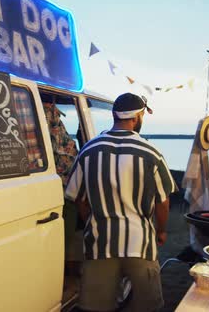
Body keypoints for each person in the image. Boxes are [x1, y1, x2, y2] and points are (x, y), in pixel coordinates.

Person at [65, 93, 177, 312]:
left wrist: (92, 220)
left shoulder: (89, 150)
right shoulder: (151, 152)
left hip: (99, 244)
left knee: (96, 308)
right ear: (136, 118)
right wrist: (161, 231)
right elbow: (163, 202)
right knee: (147, 306)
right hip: (140, 243)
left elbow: (77, 197)